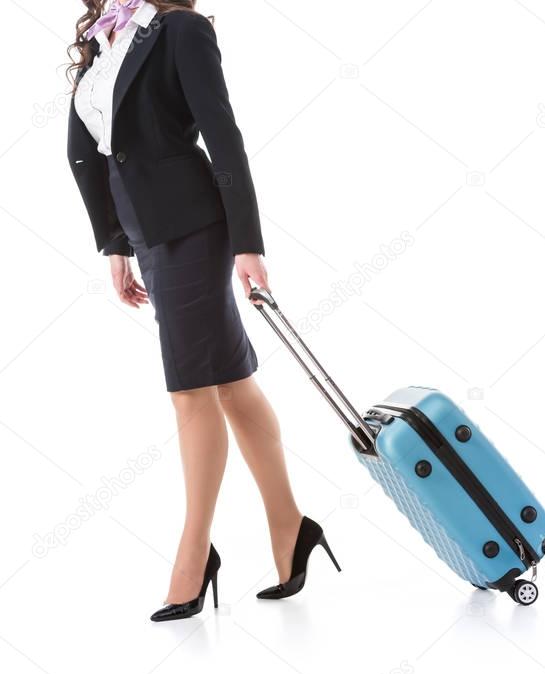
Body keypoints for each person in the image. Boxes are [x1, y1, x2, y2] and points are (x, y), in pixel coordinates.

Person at [66, 0, 340, 622]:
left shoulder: (181, 30)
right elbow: (90, 153)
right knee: (230, 386)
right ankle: (291, 529)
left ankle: (193, 557)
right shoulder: (101, 42)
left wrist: (248, 241)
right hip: (145, 235)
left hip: (194, 227)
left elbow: (222, 133)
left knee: (191, 391)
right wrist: (114, 244)